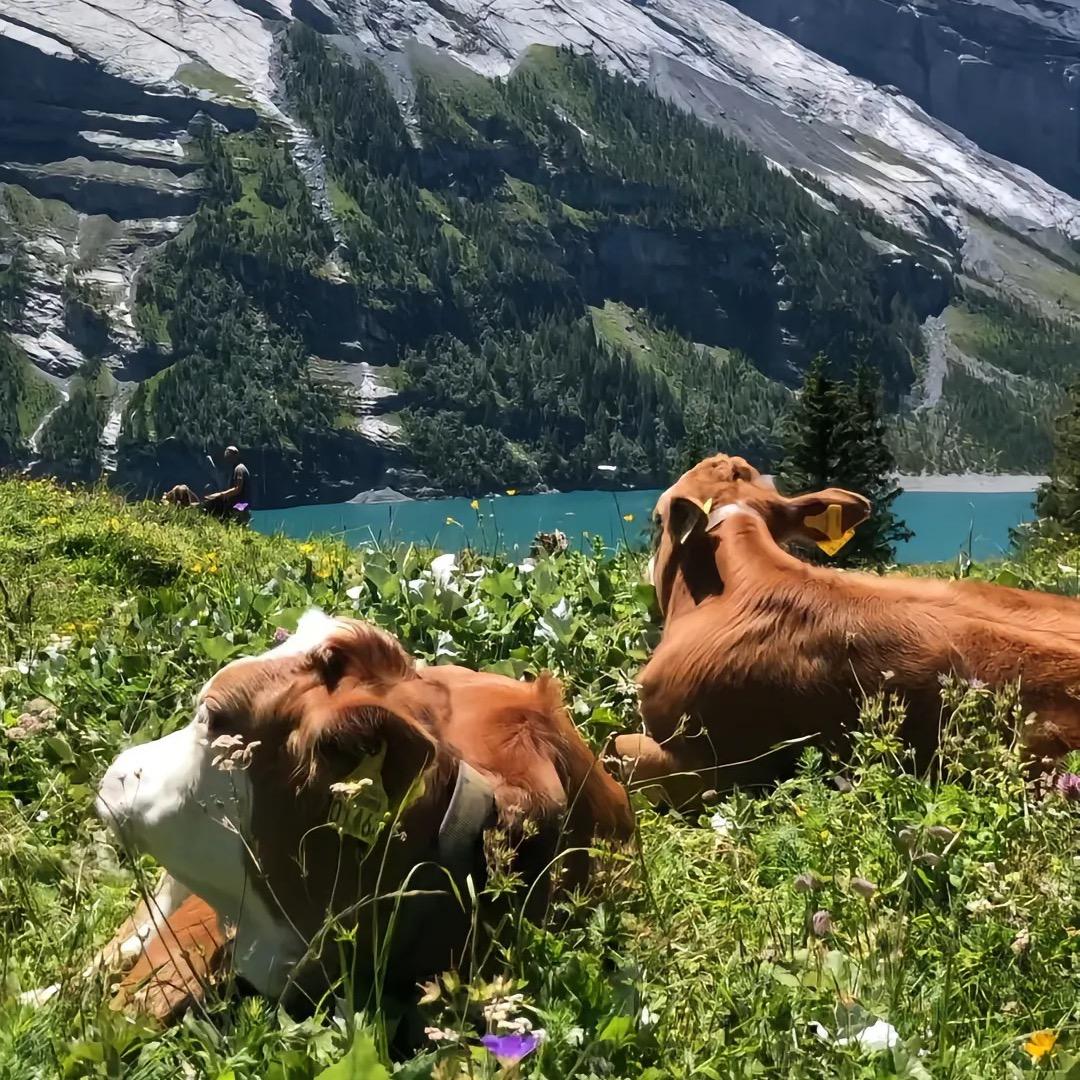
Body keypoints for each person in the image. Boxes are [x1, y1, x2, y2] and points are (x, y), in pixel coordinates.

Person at [203, 446, 251, 523]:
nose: (226, 457)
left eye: (228, 454)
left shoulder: (239, 469)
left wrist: (221, 495)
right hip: (237, 507)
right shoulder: (235, 468)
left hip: (240, 507)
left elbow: (238, 488)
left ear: (234, 456)